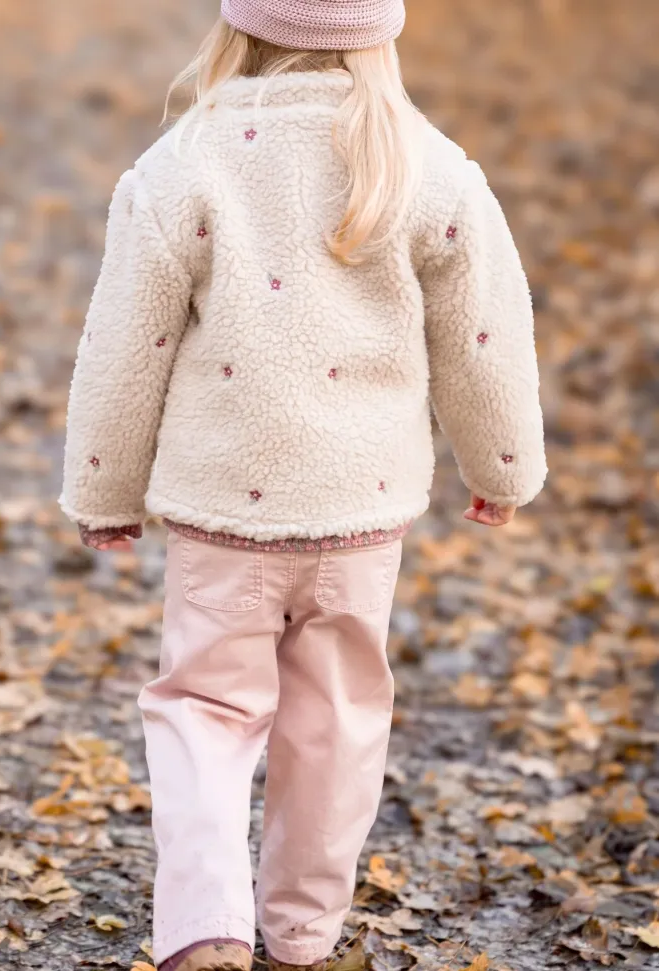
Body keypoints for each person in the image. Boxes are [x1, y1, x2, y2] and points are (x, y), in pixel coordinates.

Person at [59, 0, 546, 968]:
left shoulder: (183, 164)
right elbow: (484, 337)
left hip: (223, 514)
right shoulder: (428, 167)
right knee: (337, 723)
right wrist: (503, 465)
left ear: (237, 28)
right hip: (358, 514)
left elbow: (126, 346)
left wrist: (104, 489)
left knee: (203, 707)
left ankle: (207, 923)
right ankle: (300, 932)